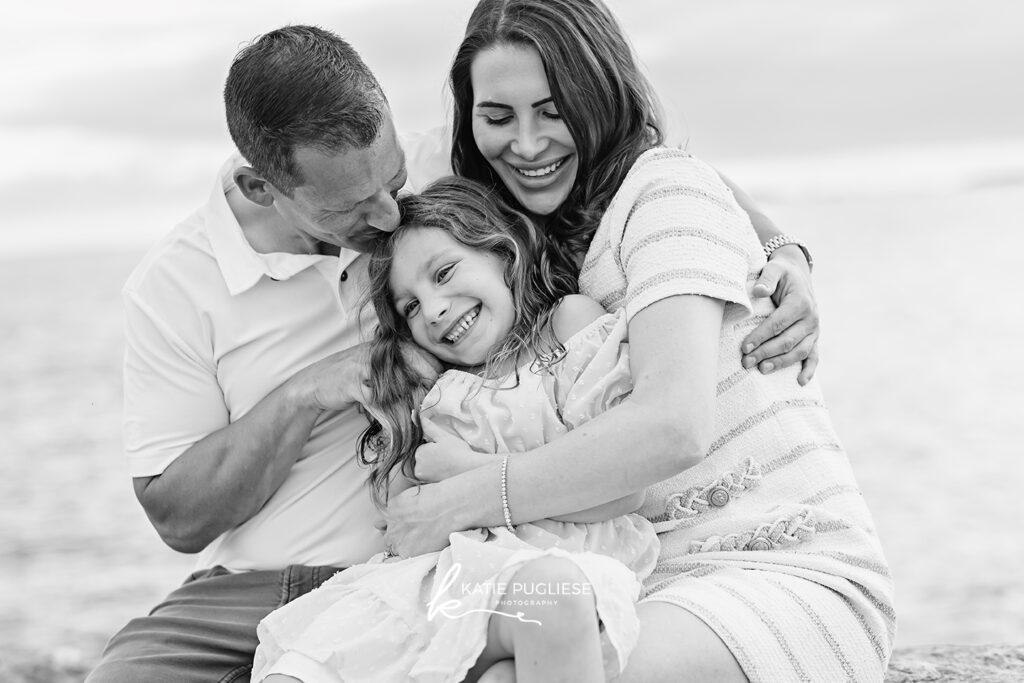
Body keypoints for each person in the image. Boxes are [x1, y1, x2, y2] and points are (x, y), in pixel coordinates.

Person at [88, 23, 820, 683]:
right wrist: (309, 392)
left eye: (394, 181)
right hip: (255, 585)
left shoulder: (444, 168)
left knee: (537, 619)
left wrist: (780, 247)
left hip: (442, 568)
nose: (387, 215)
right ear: (261, 185)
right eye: (349, 208)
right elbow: (176, 517)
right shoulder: (171, 287)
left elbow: (644, 163)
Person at [378, 1, 895, 681]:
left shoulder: (664, 192)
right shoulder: (546, 234)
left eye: (553, 109)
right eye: (498, 117)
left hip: (781, 576)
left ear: (599, 93)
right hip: (639, 575)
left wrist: (460, 496)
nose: (527, 144)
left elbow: (671, 425)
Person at [253, 176, 661, 682]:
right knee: (310, 664)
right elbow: (403, 518)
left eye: (444, 273)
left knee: (548, 604)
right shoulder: (444, 389)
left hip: (559, 569)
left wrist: (471, 475)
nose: (435, 308)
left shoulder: (566, 327)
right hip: (451, 584)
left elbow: (624, 488)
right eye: (411, 307)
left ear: (503, 252)